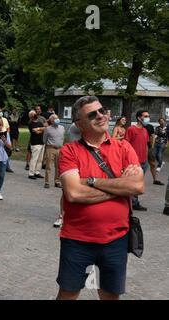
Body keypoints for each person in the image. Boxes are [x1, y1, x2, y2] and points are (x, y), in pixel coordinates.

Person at [57, 95, 144, 300]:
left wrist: (91, 181)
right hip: (77, 239)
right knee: (68, 294)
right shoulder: (70, 151)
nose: (100, 116)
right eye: (92, 114)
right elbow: (73, 193)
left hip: (117, 239)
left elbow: (138, 186)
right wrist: (121, 186)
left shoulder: (123, 147)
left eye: (102, 110)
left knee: (110, 295)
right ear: (80, 123)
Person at [124, 110, 151, 211]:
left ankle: (133, 202)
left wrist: (146, 159)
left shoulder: (145, 130)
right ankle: (132, 203)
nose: (148, 118)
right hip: (134, 162)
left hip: (144, 161)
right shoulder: (131, 129)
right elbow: (126, 145)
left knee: (138, 183)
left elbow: (146, 145)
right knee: (133, 183)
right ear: (139, 118)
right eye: (146, 116)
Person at [43, 114, 65, 188]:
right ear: (51, 121)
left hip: (60, 149)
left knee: (58, 166)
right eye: (54, 119)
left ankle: (57, 181)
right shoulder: (48, 129)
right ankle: (47, 182)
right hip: (50, 149)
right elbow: (44, 140)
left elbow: (62, 138)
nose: (56, 120)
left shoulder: (62, 128)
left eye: (57, 118)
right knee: (48, 166)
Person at [28, 110, 45, 180]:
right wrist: (40, 130)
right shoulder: (30, 124)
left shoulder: (40, 123)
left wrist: (38, 129)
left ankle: (37, 172)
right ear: (31, 116)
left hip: (41, 142)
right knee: (34, 159)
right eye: (33, 114)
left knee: (40, 159)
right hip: (35, 143)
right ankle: (31, 173)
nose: (35, 115)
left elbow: (44, 129)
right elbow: (36, 132)